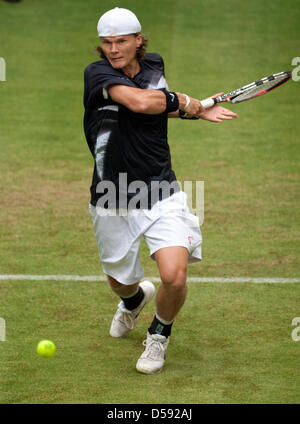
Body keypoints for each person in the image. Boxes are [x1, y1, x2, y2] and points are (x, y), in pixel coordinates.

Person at [84, 7, 238, 374]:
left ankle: (158, 334)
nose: (113, 49)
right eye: (107, 42)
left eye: (121, 41)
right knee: (120, 281)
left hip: (160, 188)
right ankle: (134, 300)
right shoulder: (98, 73)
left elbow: (155, 105)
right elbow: (139, 102)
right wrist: (186, 102)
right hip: (111, 196)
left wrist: (195, 110)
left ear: (138, 40)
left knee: (174, 274)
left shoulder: (153, 65)